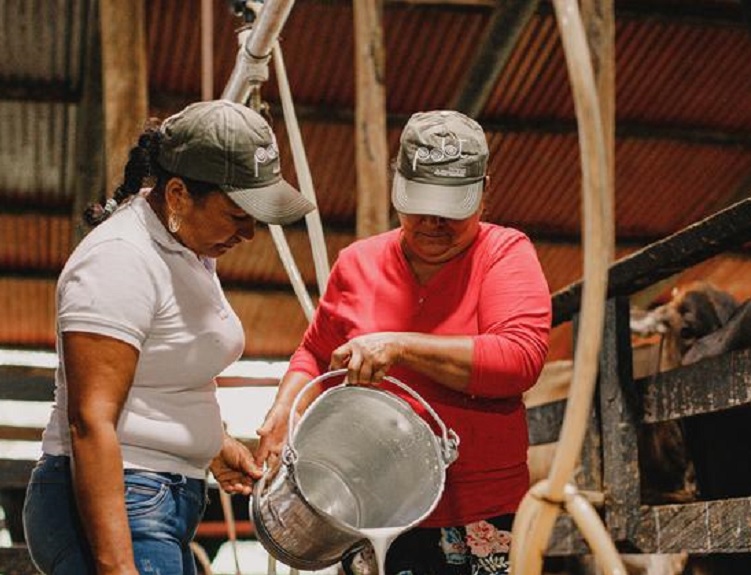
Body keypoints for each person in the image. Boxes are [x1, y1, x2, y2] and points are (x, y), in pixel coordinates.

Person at [22, 99, 315, 575]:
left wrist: (212, 443)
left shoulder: (188, 248)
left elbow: (164, 366)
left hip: (160, 495)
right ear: (178, 193)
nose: (250, 233)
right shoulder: (119, 258)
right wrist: (118, 569)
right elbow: (90, 422)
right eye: (238, 213)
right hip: (118, 495)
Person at [255, 110, 552, 575]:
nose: (433, 222)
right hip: (367, 504)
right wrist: (283, 410)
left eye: (451, 208)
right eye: (420, 204)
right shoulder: (358, 262)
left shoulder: (503, 253)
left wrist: (398, 346)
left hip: (475, 510)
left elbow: (518, 358)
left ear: (484, 193)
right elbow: (314, 352)